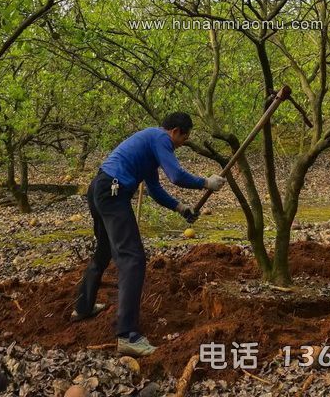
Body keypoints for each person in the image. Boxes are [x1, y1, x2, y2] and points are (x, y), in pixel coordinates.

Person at [72, 112, 226, 356]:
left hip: (99, 187)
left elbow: (155, 188)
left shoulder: (149, 145)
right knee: (133, 259)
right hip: (113, 191)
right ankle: (128, 335)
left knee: (104, 250)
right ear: (176, 131)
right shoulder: (160, 138)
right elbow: (176, 175)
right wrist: (205, 182)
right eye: (183, 139)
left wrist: (180, 207)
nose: (180, 145)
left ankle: (83, 306)